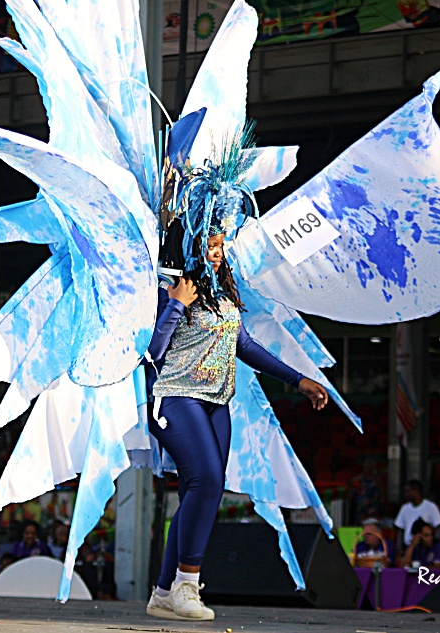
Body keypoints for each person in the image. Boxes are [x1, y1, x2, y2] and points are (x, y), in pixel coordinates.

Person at [144, 196, 329, 621]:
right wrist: (175, 303)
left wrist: (296, 379)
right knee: (206, 481)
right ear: (190, 244)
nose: (219, 250)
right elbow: (151, 352)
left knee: (198, 489)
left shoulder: (223, 291)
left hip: (216, 402)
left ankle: (163, 593)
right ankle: (187, 586)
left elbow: (242, 344)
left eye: (221, 244)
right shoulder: (168, 287)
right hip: (174, 395)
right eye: (211, 244)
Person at [394, 480, 440, 550]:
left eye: (407, 491)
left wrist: (433, 542)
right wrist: (399, 549)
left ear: (416, 491)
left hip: (424, 547)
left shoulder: (430, 506)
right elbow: (400, 530)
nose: (405, 494)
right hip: (408, 546)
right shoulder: (404, 508)